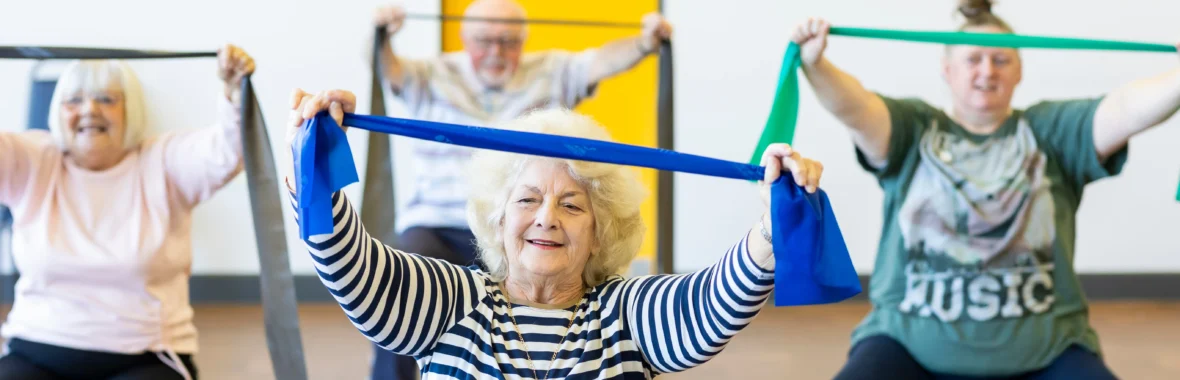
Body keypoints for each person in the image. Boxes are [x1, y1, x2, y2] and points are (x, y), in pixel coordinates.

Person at [284, 88, 825, 379]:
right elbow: (351, 266)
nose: (546, 217)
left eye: (572, 205)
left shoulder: (626, 313)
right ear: (499, 219)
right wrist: (312, 161)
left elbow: (711, 301)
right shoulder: (453, 302)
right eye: (527, 199)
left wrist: (772, 229)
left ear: (600, 232)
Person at [790, 1, 1180, 379]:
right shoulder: (914, 129)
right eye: (973, 59)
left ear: (1019, 70)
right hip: (907, 345)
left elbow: (1126, 108)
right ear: (947, 69)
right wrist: (816, 64)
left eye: (1001, 59)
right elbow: (855, 108)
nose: (987, 71)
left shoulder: (1052, 131)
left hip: (1048, 352)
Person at [368, 1, 673, 378]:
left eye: (509, 41)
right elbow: (385, 67)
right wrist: (380, 35)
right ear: (464, 38)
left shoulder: (549, 72)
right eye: (485, 40)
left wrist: (644, 42)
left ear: (523, 41)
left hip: (517, 226)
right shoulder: (431, 74)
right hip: (436, 225)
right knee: (400, 296)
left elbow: (602, 61)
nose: (496, 51)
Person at [0, 46, 256, 380]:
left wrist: (235, 92)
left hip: (144, 355)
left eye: (106, 99)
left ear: (130, 108)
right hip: (37, 349)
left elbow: (228, 149)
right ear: (59, 111)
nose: (89, 110)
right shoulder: (33, 159)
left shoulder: (164, 161)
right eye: (74, 100)